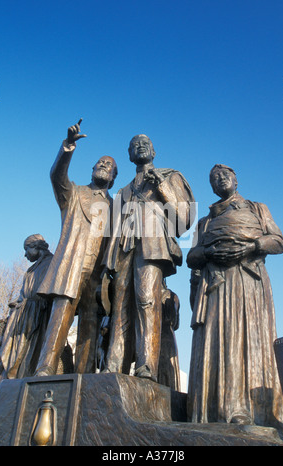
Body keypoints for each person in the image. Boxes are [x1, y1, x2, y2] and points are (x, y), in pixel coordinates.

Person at [186, 164, 283, 430]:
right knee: (219, 341)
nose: (219, 179)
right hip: (216, 286)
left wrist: (251, 246)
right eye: (213, 178)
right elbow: (191, 257)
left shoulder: (257, 208)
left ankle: (249, 410)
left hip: (248, 284)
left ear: (235, 180)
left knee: (244, 340)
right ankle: (214, 409)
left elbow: (278, 241)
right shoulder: (205, 222)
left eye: (224, 175)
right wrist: (208, 254)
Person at [102, 134, 194, 382]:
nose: (139, 146)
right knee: (120, 308)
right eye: (133, 145)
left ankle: (147, 366)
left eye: (145, 143)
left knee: (146, 301)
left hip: (152, 245)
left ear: (154, 151)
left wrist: (162, 187)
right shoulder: (123, 190)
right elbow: (109, 229)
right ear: (130, 155)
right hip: (123, 249)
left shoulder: (171, 176)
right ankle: (113, 365)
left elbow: (184, 219)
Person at [35, 120, 118, 376]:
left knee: (90, 329)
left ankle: (83, 376)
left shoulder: (118, 208)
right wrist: (68, 146)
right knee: (61, 315)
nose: (104, 166)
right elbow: (56, 176)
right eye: (101, 163)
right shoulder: (73, 193)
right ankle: (46, 366)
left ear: (114, 178)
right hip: (72, 264)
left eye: (110, 166)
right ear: (93, 169)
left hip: (99, 276)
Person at [0, 234, 53, 379]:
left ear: (36, 247)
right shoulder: (30, 270)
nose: (25, 254)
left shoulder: (52, 263)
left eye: (27, 249)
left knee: (31, 354)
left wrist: (27, 304)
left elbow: (49, 294)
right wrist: (18, 304)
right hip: (25, 313)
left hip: (40, 316)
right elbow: (23, 294)